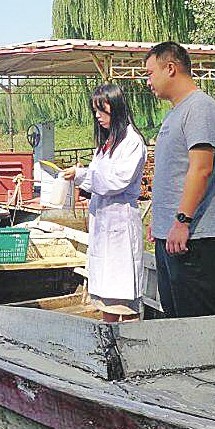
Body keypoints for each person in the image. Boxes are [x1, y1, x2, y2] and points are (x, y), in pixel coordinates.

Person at [145, 41, 215, 318]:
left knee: (197, 323)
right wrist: (158, 223)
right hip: (171, 237)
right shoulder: (174, 113)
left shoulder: (200, 108)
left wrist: (182, 221)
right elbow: (173, 173)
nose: (148, 82)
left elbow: (200, 169)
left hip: (195, 238)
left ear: (170, 68)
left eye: (149, 73)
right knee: (176, 318)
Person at [63, 84, 146, 323]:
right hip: (103, 222)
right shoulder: (107, 142)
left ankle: (130, 346)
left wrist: (82, 176)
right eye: (95, 111)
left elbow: (116, 180)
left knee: (123, 295)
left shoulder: (132, 142)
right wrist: (82, 175)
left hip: (120, 221)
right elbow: (98, 175)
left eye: (102, 110)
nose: (98, 116)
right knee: (106, 295)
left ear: (116, 107)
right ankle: (109, 345)